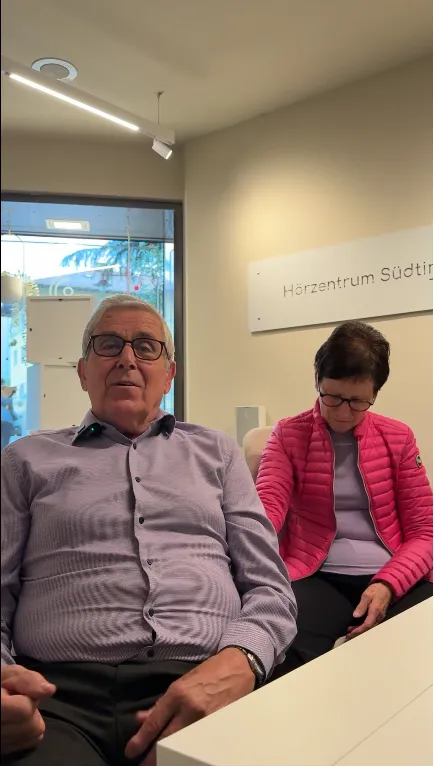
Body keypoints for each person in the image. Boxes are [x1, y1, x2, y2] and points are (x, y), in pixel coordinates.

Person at [1, 294, 297, 766]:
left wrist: (242, 660)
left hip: (203, 681)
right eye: (108, 344)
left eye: (145, 346)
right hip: (55, 699)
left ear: (169, 374)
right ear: (83, 371)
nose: (126, 358)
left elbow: (271, 587)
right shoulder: (24, 460)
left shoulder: (217, 453)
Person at [256, 320, 433, 676]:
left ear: (375, 394)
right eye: (332, 397)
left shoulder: (398, 438)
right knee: (286, 657)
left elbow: (424, 532)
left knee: (412, 662)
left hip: (391, 573)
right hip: (315, 574)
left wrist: (388, 583)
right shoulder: (288, 434)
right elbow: (266, 508)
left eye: (357, 402)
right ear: (317, 381)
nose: (341, 412)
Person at [1, 381, 17, 452]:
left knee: (5, 440)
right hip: (6, 422)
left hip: (6, 422)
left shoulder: (8, 398)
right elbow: (11, 409)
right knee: (5, 441)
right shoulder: (8, 398)